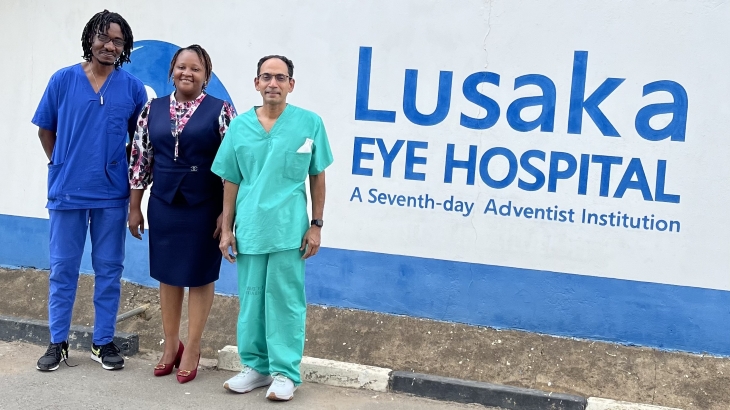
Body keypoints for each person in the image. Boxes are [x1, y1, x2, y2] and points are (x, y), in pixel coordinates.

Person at [31, 10, 147, 372]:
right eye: (104, 38)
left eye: (118, 41)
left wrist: (131, 198)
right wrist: (63, 164)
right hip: (67, 192)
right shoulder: (63, 80)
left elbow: (138, 145)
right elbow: (45, 130)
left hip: (111, 195)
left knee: (109, 268)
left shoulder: (131, 88)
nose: (110, 46)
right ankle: (58, 343)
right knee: (63, 269)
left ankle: (102, 342)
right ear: (90, 39)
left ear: (124, 48)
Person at [212, 55, 333, 401]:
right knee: (251, 302)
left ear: (291, 85)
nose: (273, 84)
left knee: (285, 302)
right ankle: (256, 367)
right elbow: (231, 179)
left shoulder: (309, 124)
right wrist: (227, 228)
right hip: (251, 228)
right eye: (266, 77)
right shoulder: (240, 127)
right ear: (256, 83)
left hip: (289, 231)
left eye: (280, 78)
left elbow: (317, 176)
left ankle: (285, 373)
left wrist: (316, 225)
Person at [128, 45, 236, 384]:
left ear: (206, 76)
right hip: (163, 203)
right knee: (168, 274)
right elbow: (140, 159)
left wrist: (226, 214)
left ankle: (192, 347)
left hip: (206, 206)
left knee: (201, 275)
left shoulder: (221, 110)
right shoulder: (152, 109)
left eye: (196, 69)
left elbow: (234, 166)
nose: (187, 73)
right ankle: (170, 345)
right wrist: (135, 207)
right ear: (172, 70)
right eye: (181, 67)